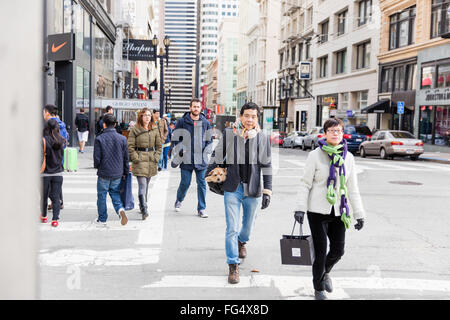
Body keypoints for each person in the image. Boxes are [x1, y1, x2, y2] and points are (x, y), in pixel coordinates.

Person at [294, 118, 366, 300]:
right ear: (325, 134)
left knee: (338, 250)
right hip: (317, 211)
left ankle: (326, 272)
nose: (335, 134)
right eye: (332, 130)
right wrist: (300, 208)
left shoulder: (348, 157)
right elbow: (305, 184)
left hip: (339, 211)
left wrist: (359, 214)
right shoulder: (315, 155)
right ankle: (318, 288)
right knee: (320, 251)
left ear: (342, 134)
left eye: (339, 131)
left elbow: (352, 188)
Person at [207, 102, 272, 284]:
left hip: (252, 189)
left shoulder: (262, 138)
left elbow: (267, 166)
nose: (250, 120)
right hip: (233, 188)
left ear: (257, 118)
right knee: (232, 228)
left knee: (247, 227)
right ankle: (233, 265)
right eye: (247, 116)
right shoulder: (229, 134)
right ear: (240, 116)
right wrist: (209, 175)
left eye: (253, 116)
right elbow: (216, 158)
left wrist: (268, 191)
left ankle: (242, 242)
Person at [172, 98, 212, 218]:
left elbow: (209, 140)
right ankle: (179, 199)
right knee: (185, 183)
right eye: (194, 106)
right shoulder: (182, 121)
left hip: (201, 159)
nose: (196, 109)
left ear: (201, 108)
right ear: (190, 108)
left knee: (202, 184)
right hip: (186, 158)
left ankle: (201, 209)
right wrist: (180, 148)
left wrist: (206, 150)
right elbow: (175, 137)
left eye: (198, 107)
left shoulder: (205, 123)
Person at [93, 113, 129, 227]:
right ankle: (120, 210)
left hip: (104, 171)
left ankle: (102, 218)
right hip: (117, 172)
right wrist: (125, 172)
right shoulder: (122, 138)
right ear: (115, 124)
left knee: (102, 195)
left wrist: (98, 167)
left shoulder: (99, 138)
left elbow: (97, 158)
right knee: (115, 194)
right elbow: (126, 158)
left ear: (104, 124)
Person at [127, 108, 162, 219]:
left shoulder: (155, 129)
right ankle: (144, 209)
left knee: (146, 184)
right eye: (145, 115)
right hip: (140, 159)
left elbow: (159, 146)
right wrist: (135, 158)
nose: (147, 117)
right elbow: (130, 146)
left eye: (149, 115)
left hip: (151, 160)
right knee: (142, 184)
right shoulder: (135, 129)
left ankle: (143, 204)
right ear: (141, 117)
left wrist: (156, 157)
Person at [43, 104, 68, 211]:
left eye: (43, 112)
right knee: (56, 182)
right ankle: (58, 202)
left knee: (47, 183)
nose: (43, 114)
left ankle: (56, 201)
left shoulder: (50, 125)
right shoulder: (62, 124)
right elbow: (65, 142)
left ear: (47, 113)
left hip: (49, 158)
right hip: (59, 158)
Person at [41, 119, 65, 227]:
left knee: (44, 196)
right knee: (56, 197)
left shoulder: (43, 140)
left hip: (45, 173)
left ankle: (44, 216)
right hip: (58, 173)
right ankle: (55, 219)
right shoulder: (62, 140)